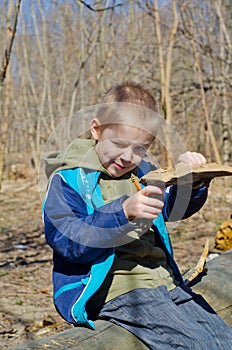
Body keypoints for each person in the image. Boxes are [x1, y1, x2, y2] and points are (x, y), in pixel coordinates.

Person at [43, 81, 232, 350]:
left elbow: (170, 209)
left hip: (163, 281)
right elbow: (69, 243)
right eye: (119, 143)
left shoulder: (144, 175)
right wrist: (122, 213)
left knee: (223, 338)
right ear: (96, 129)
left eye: (140, 149)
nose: (128, 157)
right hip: (117, 289)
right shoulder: (69, 180)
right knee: (196, 344)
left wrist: (193, 181)